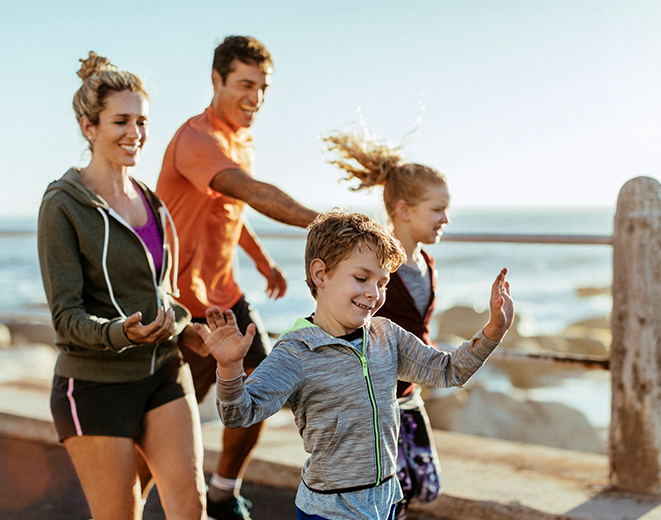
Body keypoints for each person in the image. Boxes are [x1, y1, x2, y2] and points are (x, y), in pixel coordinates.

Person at [196, 210, 514, 520]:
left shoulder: (386, 335)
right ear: (321, 274)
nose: (373, 294)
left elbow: (449, 371)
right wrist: (229, 368)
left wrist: (492, 332)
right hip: (329, 511)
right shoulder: (297, 350)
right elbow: (239, 414)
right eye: (361, 278)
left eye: (383, 283)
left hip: (384, 500)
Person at [155, 35, 318, 520]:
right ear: (216, 80)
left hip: (227, 294)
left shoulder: (237, 139)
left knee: (263, 390)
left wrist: (263, 259)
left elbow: (230, 208)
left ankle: (224, 491)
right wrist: (329, 222)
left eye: (263, 87)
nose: (257, 97)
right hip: (185, 304)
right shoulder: (196, 139)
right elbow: (251, 190)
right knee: (168, 417)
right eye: (246, 84)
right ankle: (134, 500)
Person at [37, 52, 205, 520]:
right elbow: (66, 317)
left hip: (163, 371)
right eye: (121, 121)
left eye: (142, 121)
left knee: (190, 507)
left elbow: (160, 293)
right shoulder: (64, 204)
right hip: (95, 386)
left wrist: (191, 328)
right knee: (120, 514)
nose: (135, 133)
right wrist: (121, 333)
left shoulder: (151, 201)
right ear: (89, 127)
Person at [322, 127, 450, 519]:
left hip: (407, 395)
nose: (445, 218)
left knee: (423, 484)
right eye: (437, 209)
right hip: (374, 401)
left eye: (447, 209)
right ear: (403, 211)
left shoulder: (426, 264)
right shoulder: (376, 270)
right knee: (382, 494)